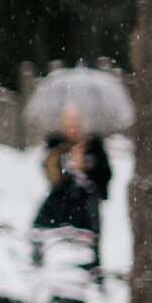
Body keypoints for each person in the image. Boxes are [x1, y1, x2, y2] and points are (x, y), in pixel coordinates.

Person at [32, 102, 112, 240]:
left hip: (86, 211)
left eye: (75, 122)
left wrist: (85, 166)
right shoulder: (56, 147)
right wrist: (65, 163)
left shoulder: (94, 147)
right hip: (59, 209)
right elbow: (51, 175)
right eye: (68, 124)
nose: (72, 128)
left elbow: (105, 175)